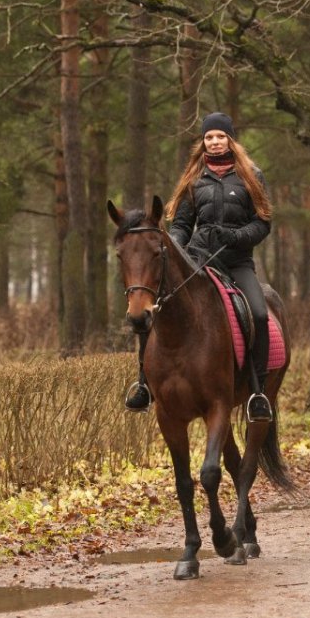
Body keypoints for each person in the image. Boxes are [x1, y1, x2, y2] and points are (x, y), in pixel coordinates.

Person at [124, 112, 276, 420]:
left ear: (230, 140)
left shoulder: (251, 175)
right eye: (209, 137)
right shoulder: (193, 178)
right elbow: (181, 224)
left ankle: (257, 392)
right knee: (155, 309)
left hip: (237, 262)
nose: (215, 142)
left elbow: (262, 224)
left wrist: (232, 236)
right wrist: (174, 246)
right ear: (203, 142)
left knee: (259, 314)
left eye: (221, 136)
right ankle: (144, 385)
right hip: (198, 260)